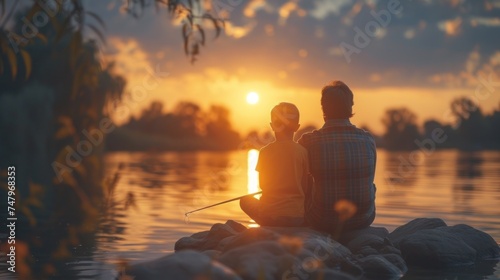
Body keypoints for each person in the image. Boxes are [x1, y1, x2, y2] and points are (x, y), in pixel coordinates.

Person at [298, 80, 377, 234]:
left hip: (321, 220)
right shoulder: (368, 140)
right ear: (351, 106)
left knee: (304, 179)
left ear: (323, 107)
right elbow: (371, 179)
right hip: (363, 219)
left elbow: (295, 180)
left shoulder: (308, 141)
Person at [240, 102, 309, 227]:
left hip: (268, 216)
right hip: (296, 218)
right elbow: (305, 186)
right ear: (297, 127)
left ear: (272, 126)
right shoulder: (302, 152)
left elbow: (262, 185)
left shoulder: (264, 152)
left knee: (244, 201)